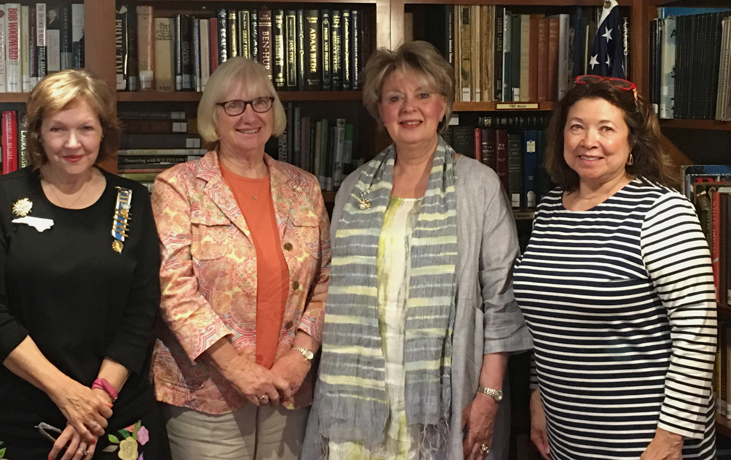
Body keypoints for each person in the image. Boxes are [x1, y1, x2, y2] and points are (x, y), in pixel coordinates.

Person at [302, 40, 533, 460]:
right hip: (361, 394)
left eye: (422, 95)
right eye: (395, 98)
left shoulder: (478, 186)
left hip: (444, 393)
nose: (410, 108)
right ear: (381, 110)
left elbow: (503, 301)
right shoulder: (356, 189)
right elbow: (329, 290)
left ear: (442, 105)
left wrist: (489, 394)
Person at [0, 69, 170, 460]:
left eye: (86, 128)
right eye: (58, 129)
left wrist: (96, 400)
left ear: (104, 132)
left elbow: (141, 312)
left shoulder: (132, 200)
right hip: (15, 413)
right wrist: (66, 392)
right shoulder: (2, 198)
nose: (73, 143)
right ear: (38, 132)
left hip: (111, 413)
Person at [513, 75, 717, 459]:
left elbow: (697, 330)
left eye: (606, 128)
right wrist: (538, 394)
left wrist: (672, 434)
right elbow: (549, 318)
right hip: (569, 436)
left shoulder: (663, 212)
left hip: (645, 442)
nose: (588, 141)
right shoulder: (549, 210)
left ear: (631, 143)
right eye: (577, 127)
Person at [151, 56, 330, 460]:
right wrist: (237, 368)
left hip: (289, 390)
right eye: (233, 105)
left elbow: (327, 278)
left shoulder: (304, 187)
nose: (249, 115)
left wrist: (301, 357)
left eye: (260, 102)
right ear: (213, 115)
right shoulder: (178, 186)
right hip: (206, 393)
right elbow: (173, 290)